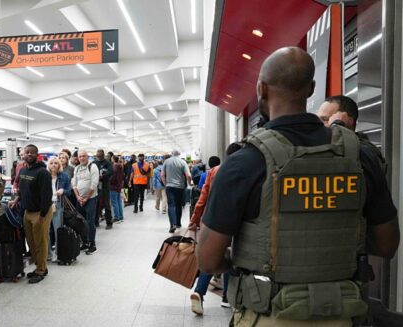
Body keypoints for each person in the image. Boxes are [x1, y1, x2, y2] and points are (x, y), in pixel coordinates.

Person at [197, 47, 400, 326]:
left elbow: (207, 259)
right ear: (311, 88)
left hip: (269, 315)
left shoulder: (243, 162)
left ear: (261, 89)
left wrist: (248, 258)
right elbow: (388, 244)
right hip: (345, 314)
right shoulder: (359, 155)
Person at [8, 144, 53, 284]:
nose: (29, 155)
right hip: (27, 211)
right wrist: (16, 200)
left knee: (40, 241)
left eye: (32, 153)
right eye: (26, 152)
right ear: (23, 154)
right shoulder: (22, 170)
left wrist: (42, 215)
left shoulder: (43, 173)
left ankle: (41, 269)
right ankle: (40, 266)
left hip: (41, 212)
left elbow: (47, 195)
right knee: (31, 242)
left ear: (37, 154)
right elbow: (22, 190)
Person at [188, 155, 225, 315]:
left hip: (211, 219)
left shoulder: (213, 172)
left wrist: (194, 219)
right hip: (234, 218)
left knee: (211, 254)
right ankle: (226, 298)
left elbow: (202, 198)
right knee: (230, 255)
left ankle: (200, 292)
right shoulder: (244, 167)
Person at [72, 150, 100, 255]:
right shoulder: (77, 168)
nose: (82, 158)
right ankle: (84, 242)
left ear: (87, 157)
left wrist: (86, 198)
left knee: (90, 221)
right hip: (79, 199)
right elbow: (74, 183)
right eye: (80, 157)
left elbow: (94, 184)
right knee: (80, 221)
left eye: (83, 156)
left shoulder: (93, 167)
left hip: (91, 198)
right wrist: (78, 197)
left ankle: (92, 244)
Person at [46, 157, 71, 262]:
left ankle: (58, 253)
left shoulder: (64, 176)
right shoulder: (45, 176)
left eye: (56, 163)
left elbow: (69, 192)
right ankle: (48, 254)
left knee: (57, 230)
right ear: (48, 165)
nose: (54, 165)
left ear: (59, 165)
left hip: (58, 204)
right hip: (46, 205)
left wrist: (63, 190)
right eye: (51, 163)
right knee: (45, 231)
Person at [162, 150, 191, 233]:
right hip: (180, 187)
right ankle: (178, 223)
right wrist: (189, 184)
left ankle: (172, 224)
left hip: (169, 186)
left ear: (172, 154)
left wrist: (165, 184)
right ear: (179, 154)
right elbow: (188, 175)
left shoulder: (166, 162)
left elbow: (162, 175)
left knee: (171, 205)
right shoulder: (183, 162)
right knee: (178, 205)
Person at [94, 149, 114, 229]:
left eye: (100, 156)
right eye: (97, 156)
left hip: (105, 186)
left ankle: (109, 223)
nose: (98, 157)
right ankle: (95, 222)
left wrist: (103, 176)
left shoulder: (107, 163)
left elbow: (111, 172)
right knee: (96, 204)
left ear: (103, 155)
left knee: (106, 205)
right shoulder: (94, 163)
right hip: (96, 186)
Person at [109, 155, 125, 223]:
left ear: (113, 159)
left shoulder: (114, 167)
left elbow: (112, 178)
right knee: (119, 202)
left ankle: (116, 217)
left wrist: (108, 180)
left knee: (114, 203)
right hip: (119, 186)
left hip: (113, 187)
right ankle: (121, 216)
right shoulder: (120, 167)